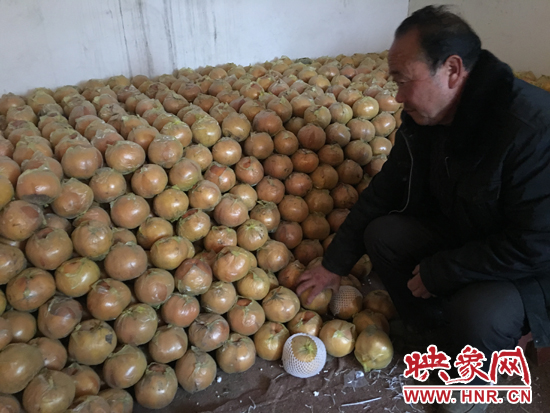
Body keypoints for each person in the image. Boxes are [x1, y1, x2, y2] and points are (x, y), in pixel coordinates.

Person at [296, 5, 550, 412]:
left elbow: (537, 245)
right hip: (467, 237)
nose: (397, 95)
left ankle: (475, 380)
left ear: (452, 70)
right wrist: (334, 264)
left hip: (528, 272)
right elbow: (384, 191)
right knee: (383, 233)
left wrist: (444, 269)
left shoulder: (531, 128)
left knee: (479, 311)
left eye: (403, 80)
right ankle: (436, 337)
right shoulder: (425, 120)